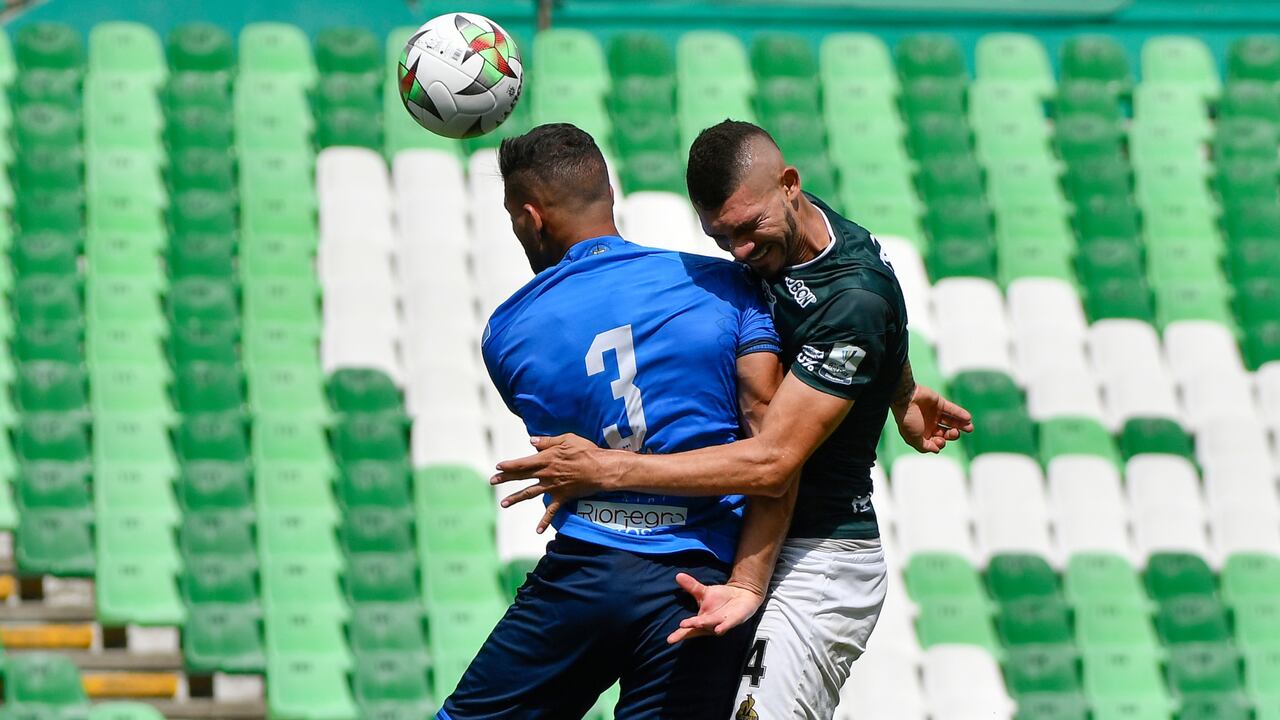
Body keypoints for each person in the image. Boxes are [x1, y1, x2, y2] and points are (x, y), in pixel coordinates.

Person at [492, 120, 975, 719]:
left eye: (748, 230)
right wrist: (899, 389)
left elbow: (772, 461)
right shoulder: (803, 235)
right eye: (721, 237)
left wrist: (605, 469)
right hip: (753, 547)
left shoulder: (851, 294)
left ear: (790, 185)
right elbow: (867, 319)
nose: (740, 252)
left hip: (817, 559)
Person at [438, 122, 795, 719]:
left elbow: (564, 443)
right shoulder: (728, 288)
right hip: (702, 583)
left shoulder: (508, 333)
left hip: (588, 569)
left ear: (530, 218)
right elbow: (769, 439)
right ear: (608, 195)